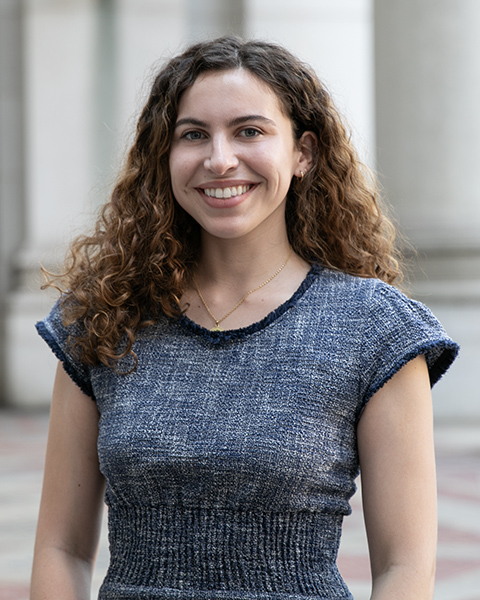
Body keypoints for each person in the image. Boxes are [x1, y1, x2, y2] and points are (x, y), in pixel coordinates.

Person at [31, 36, 458, 600]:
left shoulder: (375, 330)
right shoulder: (106, 318)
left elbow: (405, 568)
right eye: (193, 135)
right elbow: (61, 549)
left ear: (303, 152)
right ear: (164, 156)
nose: (220, 159)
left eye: (250, 131)